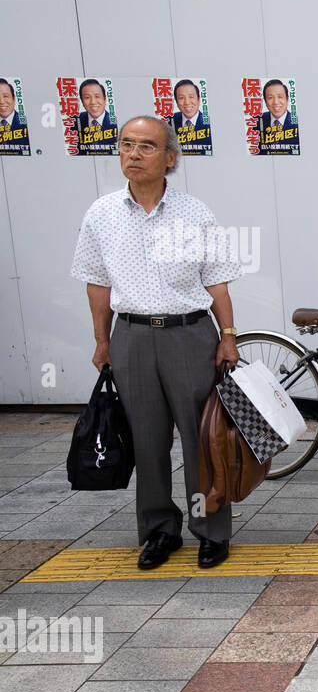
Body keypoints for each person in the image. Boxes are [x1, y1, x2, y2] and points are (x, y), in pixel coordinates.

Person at [71, 116, 242, 570]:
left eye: (147, 146)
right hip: (131, 337)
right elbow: (96, 284)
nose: (133, 154)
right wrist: (101, 341)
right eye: (126, 144)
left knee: (200, 440)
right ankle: (159, 531)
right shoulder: (101, 214)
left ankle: (208, 530)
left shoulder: (195, 213)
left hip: (189, 335)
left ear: (169, 158)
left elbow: (218, 283)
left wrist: (228, 337)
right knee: (146, 441)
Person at [258, 79, 297, 147]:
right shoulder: (257, 121)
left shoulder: (296, 122)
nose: (275, 102)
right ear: (265, 102)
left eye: (280, 97)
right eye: (270, 98)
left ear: (287, 99)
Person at [77, 78, 116, 143]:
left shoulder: (114, 122)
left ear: (105, 99)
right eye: (87, 97)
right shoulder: (74, 121)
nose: (93, 102)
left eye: (97, 96)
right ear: (82, 102)